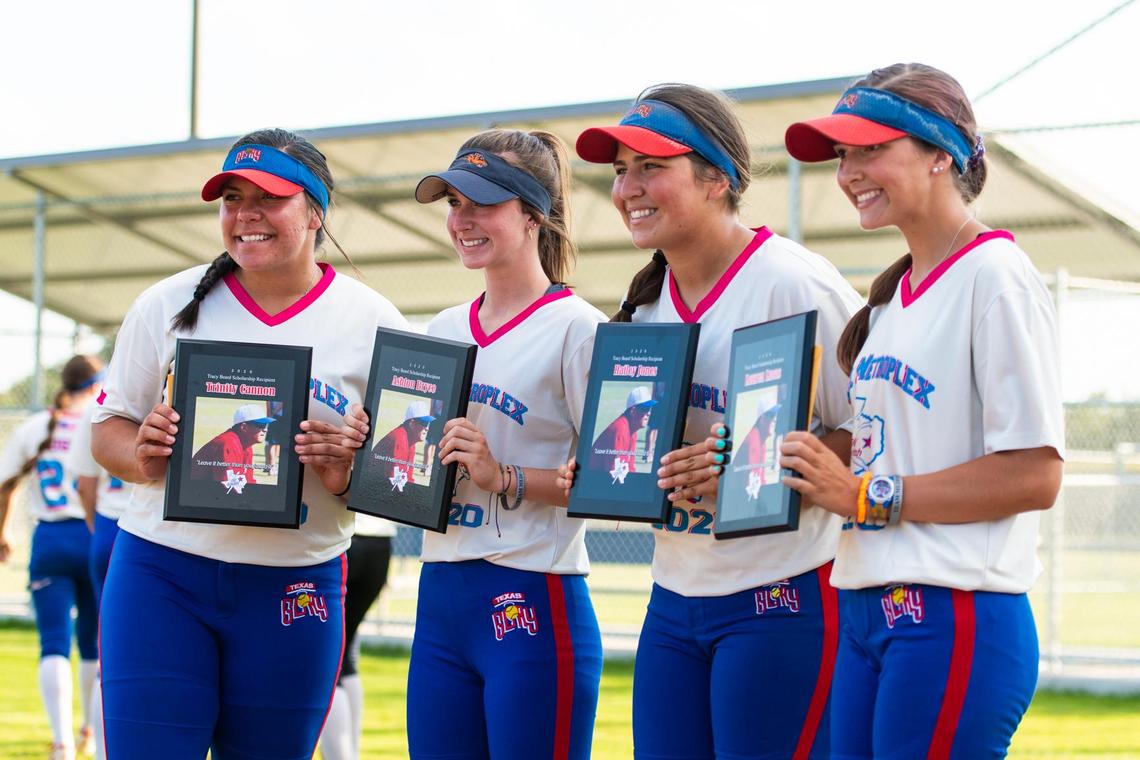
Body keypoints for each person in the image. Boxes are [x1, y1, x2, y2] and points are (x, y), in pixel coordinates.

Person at [561, 84, 863, 759]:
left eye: (650, 166)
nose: (628, 188)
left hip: (782, 596)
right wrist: (610, 469)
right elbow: (630, 461)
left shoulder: (794, 283)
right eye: (619, 171)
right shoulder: (642, 310)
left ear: (717, 179)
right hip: (673, 597)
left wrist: (758, 465)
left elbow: (875, 428)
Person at [90, 128, 408, 759]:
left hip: (296, 584)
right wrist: (142, 454)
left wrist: (347, 472)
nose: (246, 215)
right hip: (162, 574)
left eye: (270, 197)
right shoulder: (166, 303)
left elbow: (404, 478)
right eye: (232, 198)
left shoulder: (374, 322)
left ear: (316, 211)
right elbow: (109, 430)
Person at [781, 62, 1064, 758]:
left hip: (952, 612)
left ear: (942, 153)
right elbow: (885, 451)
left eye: (870, 149)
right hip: (864, 610)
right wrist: (769, 457)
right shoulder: (888, 301)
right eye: (843, 155)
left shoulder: (995, 276)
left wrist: (863, 496)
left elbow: (1034, 474)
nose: (849, 172)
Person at [405, 129, 605, 759]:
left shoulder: (579, 328)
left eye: (482, 202)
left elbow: (615, 482)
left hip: (532, 598)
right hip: (440, 598)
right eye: (454, 202)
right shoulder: (440, 328)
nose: (462, 219)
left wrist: (505, 477)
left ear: (532, 214)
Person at [0, 355, 104, 760]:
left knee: (54, 644)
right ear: (96, 385)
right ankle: (91, 738)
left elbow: (6, 484)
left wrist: (3, 531)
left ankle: (62, 742)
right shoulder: (99, 420)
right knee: (95, 646)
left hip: (50, 539)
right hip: (94, 534)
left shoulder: (36, 425)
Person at [67, 393, 132, 760]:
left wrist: (97, 526)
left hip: (111, 523)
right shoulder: (178, 383)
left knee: (112, 653)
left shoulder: (101, 401)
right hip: (149, 526)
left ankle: (99, 745)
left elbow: (85, 483)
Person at [318, 512, 395, 760]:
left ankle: (341, 755)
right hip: (380, 544)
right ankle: (350, 753)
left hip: (347, 541)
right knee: (345, 657)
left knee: (327, 664)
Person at [189, 403, 274, 487]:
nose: (265, 429)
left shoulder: (247, 445)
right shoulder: (227, 444)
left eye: (266, 425)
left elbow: (248, 480)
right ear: (244, 427)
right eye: (261, 425)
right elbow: (227, 486)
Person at [589, 385, 656, 482]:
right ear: (633, 411)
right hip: (595, 482)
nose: (648, 413)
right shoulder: (620, 431)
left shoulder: (632, 430)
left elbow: (630, 467)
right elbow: (613, 473)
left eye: (649, 409)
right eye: (645, 409)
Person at [370, 401, 434, 491]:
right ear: (412, 424)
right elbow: (393, 482)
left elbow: (409, 477)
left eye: (428, 424)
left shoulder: (411, 441)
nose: (427, 428)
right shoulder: (399, 439)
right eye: (424, 423)